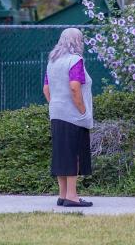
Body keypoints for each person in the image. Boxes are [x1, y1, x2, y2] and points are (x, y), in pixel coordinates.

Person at [43, 27, 93, 208]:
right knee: (74, 154)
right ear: (77, 41)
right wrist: (82, 111)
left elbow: (46, 89)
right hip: (73, 115)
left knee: (61, 153)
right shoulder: (75, 60)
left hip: (56, 112)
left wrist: (56, 104)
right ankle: (72, 196)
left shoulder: (52, 62)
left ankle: (62, 195)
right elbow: (74, 87)